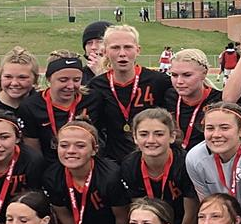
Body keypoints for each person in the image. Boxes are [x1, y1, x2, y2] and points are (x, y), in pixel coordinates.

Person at [90, 25, 173, 163]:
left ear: (138, 50)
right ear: (105, 52)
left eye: (128, 47)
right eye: (115, 48)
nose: (122, 53)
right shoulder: (97, 86)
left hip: (153, 160)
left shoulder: (159, 81)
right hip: (114, 161)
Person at [119, 109, 199, 224]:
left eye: (159, 134)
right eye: (144, 134)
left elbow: (191, 215)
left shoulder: (185, 163)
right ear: (135, 138)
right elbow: (138, 210)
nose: (151, 140)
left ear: (172, 136)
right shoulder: (130, 165)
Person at [17, 51, 101, 166]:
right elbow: (34, 153)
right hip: (49, 170)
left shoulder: (93, 99)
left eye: (76, 80)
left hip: (88, 167)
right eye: (63, 80)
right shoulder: (31, 106)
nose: (70, 86)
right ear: (48, 79)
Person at [166, 48, 222, 152]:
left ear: (204, 73)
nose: (179, 81)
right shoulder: (169, 96)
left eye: (187, 75)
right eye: (174, 75)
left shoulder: (218, 101)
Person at [80, 20, 110, 85]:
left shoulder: (125, 73)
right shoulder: (79, 76)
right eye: (89, 43)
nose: (93, 47)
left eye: (99, 41)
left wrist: (101, 74)